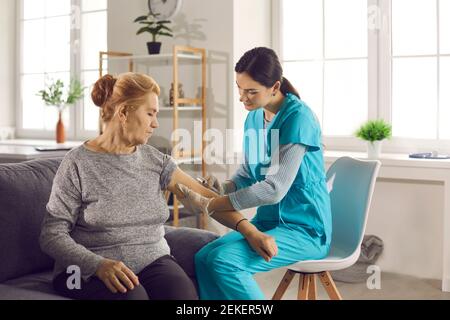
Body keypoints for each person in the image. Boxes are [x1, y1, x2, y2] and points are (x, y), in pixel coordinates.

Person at [39, 72, 220, 300]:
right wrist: (98, 265)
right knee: (132, 297)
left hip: (151, 260)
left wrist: (246, 222)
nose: (155, 124)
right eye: (150, 114)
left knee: (182, 295)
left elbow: (205, 197)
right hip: (80, 271)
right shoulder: (77, 163)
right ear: (123, 112)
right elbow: (51, 235)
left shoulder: (155, 160)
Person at [175, 47, 332, 300]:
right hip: (269, 222)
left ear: (274, 86)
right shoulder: (254, 117)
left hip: (305, 230)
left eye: (250, 91)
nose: (242, 98)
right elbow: (249, 172)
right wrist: (222, 187)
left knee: (225, 262)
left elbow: (275, 188)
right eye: (239, 88)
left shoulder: (298, 117)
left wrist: (211, 204)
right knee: (204, 257)